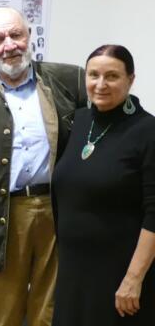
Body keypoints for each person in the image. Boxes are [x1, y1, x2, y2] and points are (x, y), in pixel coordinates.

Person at [0, 7, 86, 326]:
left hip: (57, 213)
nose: (9, 45)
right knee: (1, 312)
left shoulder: (70, 80)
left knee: (50, 311)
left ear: (29, 35)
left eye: (16, 35)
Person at [51, 45, 155, 325]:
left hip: (120, 276)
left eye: (112, 76)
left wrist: (133, 279)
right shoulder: (78, 122)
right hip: (73, 273)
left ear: (130, 80)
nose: (100, 84)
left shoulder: (148, 131)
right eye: (93, 75)